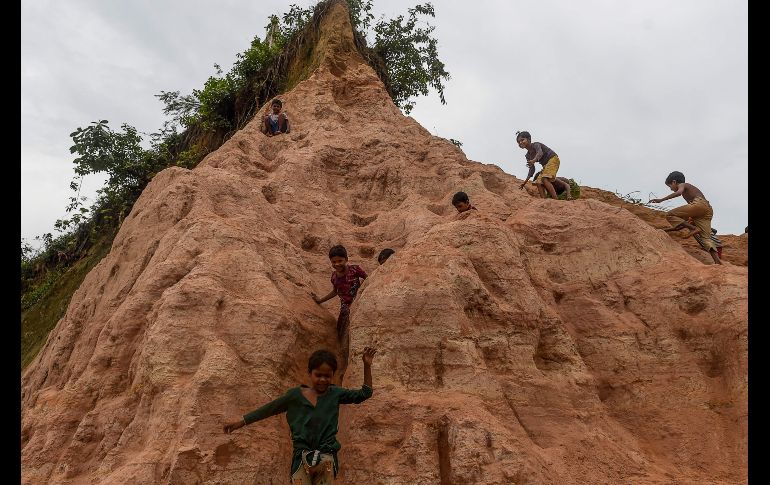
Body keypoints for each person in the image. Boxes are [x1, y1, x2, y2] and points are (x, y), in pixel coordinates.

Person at [223, 348, 377, 484]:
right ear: (310, 373)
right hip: (301, 458)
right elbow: (268, 409)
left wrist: (367, 365)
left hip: (326, 458)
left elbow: (365, 393)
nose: (323, 380)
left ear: (333, 376)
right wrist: (242, 421)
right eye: (318, 375)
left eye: (327, 376)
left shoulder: (335, 394)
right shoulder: (295, 396)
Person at [649, 171, 722, 265]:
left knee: (670, 215)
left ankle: (694, 228)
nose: (671, 189)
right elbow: (679, 226)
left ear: (674, 182)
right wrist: (664, 230)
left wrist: (661, 200)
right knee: (705, 238)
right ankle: (717, 262)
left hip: (699, 204)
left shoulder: (683, 184)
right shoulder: (691, 196)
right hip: (707, 210)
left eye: (670, 186)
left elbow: (679, 192)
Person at [312, 246, 368, 349]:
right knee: (340, 329)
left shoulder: (355, 269)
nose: (337, 264)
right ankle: (341, 349)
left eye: (340, 260)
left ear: (346, 259)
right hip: (345, 307)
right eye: (334, 262)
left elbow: (368, 279)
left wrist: (362, 292)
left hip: (358, 303)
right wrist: (320, 300)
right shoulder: (334, 277)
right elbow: (335, 292)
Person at [515, 131, 562, 200]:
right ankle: (544, 201)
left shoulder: (536, 145)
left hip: (553, 159)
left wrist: (534, 160)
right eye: (518, 142)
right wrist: (525, 182)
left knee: (544, 179)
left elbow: (540, 153)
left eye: (522, 140)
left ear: (529, 139)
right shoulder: (528, 155)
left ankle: (555, 200)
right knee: (538, 182)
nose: (520, 142)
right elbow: (532, 169)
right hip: (546, 165)